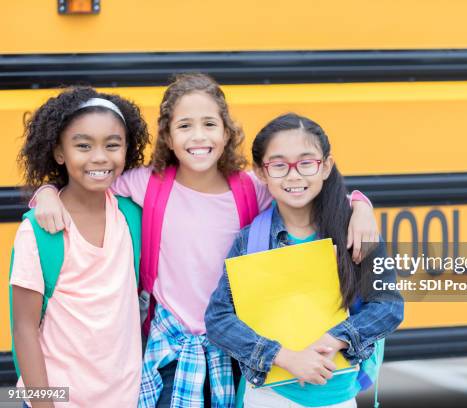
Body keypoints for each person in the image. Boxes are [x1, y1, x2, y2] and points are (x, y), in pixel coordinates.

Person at [30, 74, 379, 407]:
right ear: (167, 136)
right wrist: (47, 193)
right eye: (185, 126)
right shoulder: (146, 184)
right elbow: (88, 185)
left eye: (210, 124)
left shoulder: (249, 189)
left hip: (236, 347)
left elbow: (306, 192)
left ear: (227, 134)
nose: (198, 136)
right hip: (171, 351)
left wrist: (360, 206)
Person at [205, 113, 404, 408]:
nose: (294, 175)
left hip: (338, 398)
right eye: (279, 165)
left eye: (306, 162)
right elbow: (218, 318)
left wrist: (334, 341)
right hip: (268, 397)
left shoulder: (355, 231)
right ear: (261, 172)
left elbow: (389, 305)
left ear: (326, 167)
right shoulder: (251, 240)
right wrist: (284, 357)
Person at [10, 87, 149, 407]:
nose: (99, 156)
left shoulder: (133, 216)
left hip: (126, 398)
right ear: (59, 152)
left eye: (112, 145)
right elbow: (24, 329)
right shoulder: (38, 230)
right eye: (83, 145)